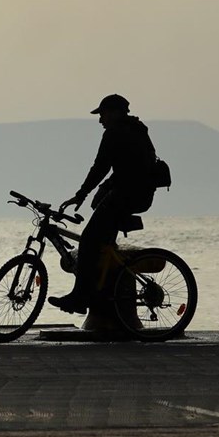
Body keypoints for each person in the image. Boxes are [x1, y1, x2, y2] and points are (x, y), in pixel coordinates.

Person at [48, 94, 157, 314]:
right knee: (102, 241)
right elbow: (129, 167)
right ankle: (98, 292)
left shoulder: (114, 133)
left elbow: (100, 167)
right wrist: (102, 190)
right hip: (142, 195)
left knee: (89, 239)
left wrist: (82, 194)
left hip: (126, 195)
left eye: (103, 114)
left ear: (115, 113)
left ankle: (79, 298)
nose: (100, 120)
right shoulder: (138, 129)